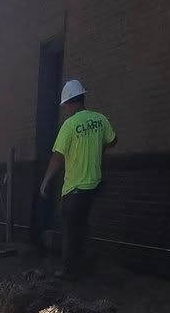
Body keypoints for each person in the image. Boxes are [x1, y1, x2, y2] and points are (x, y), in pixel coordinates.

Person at [39, 79, 116, 278]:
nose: (65, 110)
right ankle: (85, 265)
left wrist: (46, 180)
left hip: (74, 188)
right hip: (94, 185)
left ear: (70, 102)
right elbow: (113, 140)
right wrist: (95, 147)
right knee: (83, 225)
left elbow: (58, 157)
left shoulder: (70, 125)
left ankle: (69, 271)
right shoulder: (100, 119)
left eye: (65, 106)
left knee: (70, 228)